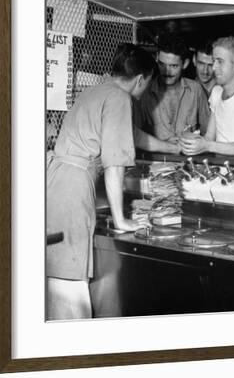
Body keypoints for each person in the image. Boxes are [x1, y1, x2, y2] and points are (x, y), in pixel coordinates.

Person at [46, 44, 154, 320]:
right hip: (73, 188)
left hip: (57, 182)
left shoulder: (97, 90)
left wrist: (171, 144)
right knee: (69, 286)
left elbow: (130, 135)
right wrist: (121, 220)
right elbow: (115, 165)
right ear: (141, 79)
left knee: (59, 273)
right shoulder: (120, 98)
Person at [180, 36, 234, 156]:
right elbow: (209, 137)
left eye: (220, 61)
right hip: (219, 167)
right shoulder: (216, 92)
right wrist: (190, 142)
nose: (214, 67)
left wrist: (208, 146)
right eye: (214, 61)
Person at [136, 33, 210, 143]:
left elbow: (208, 132)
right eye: (162, 64)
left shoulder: (195, 90)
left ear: (185, 64)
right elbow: (135, 135)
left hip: (188, 158)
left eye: (173, 66)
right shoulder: (144, 92)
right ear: (156, 58)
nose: (167, 72)